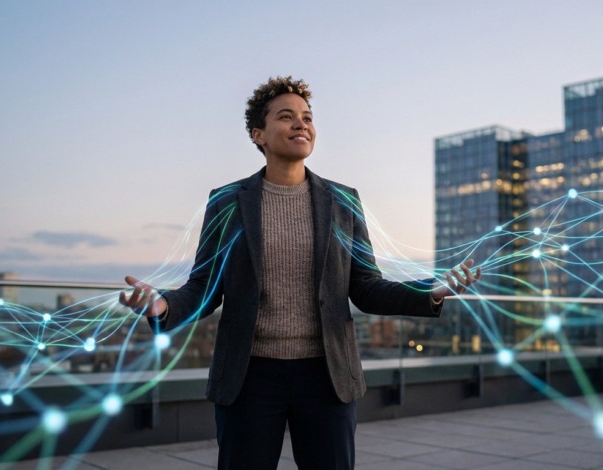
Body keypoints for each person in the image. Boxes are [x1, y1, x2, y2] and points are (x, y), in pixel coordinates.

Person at [118, 76, 481, 469]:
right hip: (249, 377)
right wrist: (163, 307)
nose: (301, 125)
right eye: (286, 117)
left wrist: (432, 291)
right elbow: (205, 286)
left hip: (327, 376)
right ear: (258, 134)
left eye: (307, 117)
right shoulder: (226, 202)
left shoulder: (344, 200)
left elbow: (366, 287)